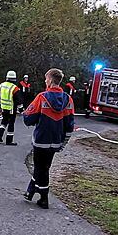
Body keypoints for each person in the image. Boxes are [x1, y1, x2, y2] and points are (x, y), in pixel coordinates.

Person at [22, 68, 75, 209]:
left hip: (41, 140)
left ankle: (43, 198)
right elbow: (70, 124)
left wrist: (25, 114)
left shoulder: (42, 97)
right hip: (56, 141)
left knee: (41, 168)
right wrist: (64, 143)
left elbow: (28, 118)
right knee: (44, 167)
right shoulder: (68, 99)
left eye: (46, 79)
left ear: (51, 80)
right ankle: (30, 191)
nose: (45, 82)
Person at [0, 70, 23, 145]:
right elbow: (19, 100)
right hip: (11, 109)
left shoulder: (1, 85)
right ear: (14, 79)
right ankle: (9, 141)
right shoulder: (14, 88)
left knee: (4, 122)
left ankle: (0, 136)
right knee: (11, 124)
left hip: (3, 108)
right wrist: (21, 109)